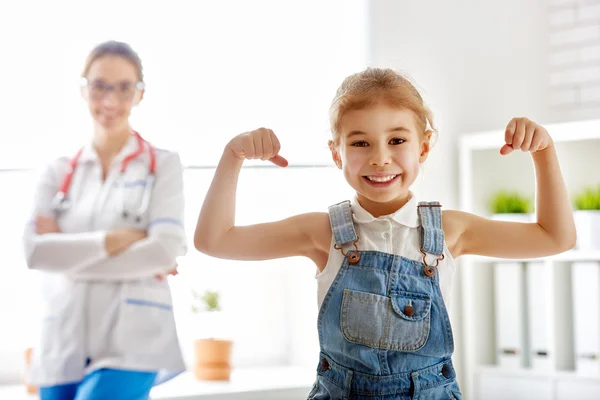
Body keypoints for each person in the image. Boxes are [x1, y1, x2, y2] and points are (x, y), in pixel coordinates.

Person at [193, 67, 577, 399]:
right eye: (360, 143)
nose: (380, 157)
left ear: (424, 146)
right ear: (336, 153)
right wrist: (233, 156)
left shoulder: (452, 230)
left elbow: (555, 237)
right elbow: (215, 240)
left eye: (397, 140)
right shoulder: (321, 232)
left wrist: (543, 153)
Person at [23, 40, 187, 400]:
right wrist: (114, 241)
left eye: (123, 88)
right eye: (99, 86)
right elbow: (35, 253)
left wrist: (69, 259)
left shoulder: (163, 164)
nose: (110, 101)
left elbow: (161, 252)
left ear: (140, 94)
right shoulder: (56, 172)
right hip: (62, 335)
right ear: (84, 90)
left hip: (133, 337)